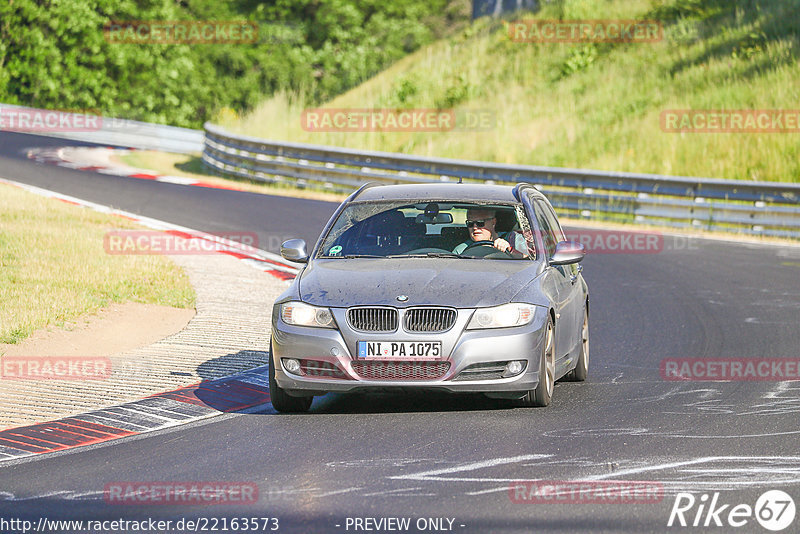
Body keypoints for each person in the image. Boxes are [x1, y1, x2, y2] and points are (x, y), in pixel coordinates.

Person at [452, 208, 528, 256]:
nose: (475, 227)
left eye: (480, 223)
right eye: (470, 223)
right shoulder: (460, 250)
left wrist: (510, 250)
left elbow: (530, 261)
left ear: (493, 222)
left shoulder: (514, 239)